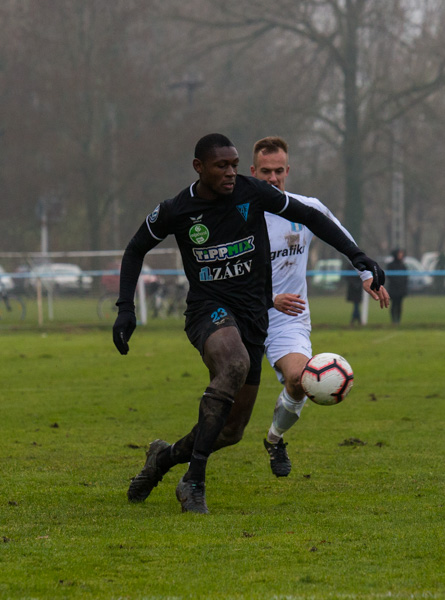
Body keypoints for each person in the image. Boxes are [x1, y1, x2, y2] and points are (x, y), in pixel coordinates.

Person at [114, 133, 385, 514]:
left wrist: (358, 257)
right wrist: (126, 307)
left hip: (255, 316)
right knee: (235, 363)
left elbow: (311, 217)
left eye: (234, 165)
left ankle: (164, 457)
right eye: (221, 166)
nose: (230, 172)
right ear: (199, 168)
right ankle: (194, 481)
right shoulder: (177, 209)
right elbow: (135, 248)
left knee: (231, 430)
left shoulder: (252, 193)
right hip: (209, 310)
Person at [250, 136, 390, 477]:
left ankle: (275, 439)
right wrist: (267, 298)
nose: (272, 178)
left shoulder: (306, 208)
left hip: (287, 319)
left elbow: (340, 236)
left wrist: (365, 273)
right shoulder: (237, 216)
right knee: (229, 407)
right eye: (265, 172)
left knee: (299, 380)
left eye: (279, 171)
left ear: (288, 170)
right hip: (242, 316)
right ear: (252, 172)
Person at [386, 249, 408, 324]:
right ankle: (393, 320)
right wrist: (397, 282)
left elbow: (406, 277)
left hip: (401, 289)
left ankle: (398, 320)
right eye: (399, 254)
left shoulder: (403, 265)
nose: (401, 255)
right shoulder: (390, 265)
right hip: (393, 289)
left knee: (399, 305)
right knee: (393, 304)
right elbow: (390, 277)